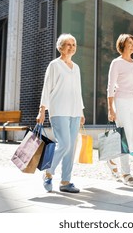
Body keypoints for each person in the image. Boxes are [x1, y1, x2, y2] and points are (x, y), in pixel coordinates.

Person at [36, 33, 85, 193]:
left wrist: (81, 111)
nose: (71, 47)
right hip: (58, 110)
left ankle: (65, 182)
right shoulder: (54, 65)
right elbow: (47, 87)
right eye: (68, 44)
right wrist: (42, 109)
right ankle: (48, 172)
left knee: (71, 148)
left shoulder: (76, 67)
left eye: (74, 44)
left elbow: (78, 90)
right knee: (64, 144)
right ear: (60, 47)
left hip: (75, 111)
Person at [106, 33, 133, 187]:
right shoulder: (116, 63)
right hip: (120, 101)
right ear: (122, 44)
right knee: (125, 138)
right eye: (129, 43)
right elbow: (110, 86)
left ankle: (112, 158)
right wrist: (110, 108)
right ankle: (126, 174)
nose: (132, 46)